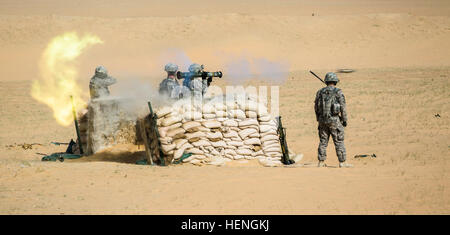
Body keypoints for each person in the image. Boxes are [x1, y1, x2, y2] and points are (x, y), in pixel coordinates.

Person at [314, 72, 352, 168]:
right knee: (339, 141)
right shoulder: (338, 92)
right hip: (335, 121)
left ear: (326, 81)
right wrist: (344, 120)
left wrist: (318, 118)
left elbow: (316, 107)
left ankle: (321, 162)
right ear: (335, 81)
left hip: (322, 120)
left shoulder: (320, 92)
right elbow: (343, 107)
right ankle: (342, 162)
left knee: (323, 141)